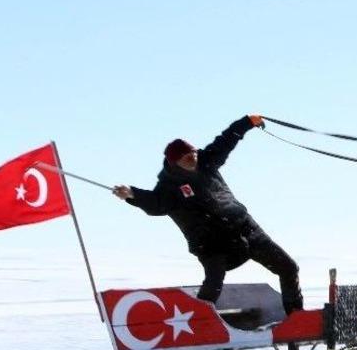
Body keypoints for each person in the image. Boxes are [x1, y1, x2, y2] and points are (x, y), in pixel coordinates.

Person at [114, 114, 304, 314]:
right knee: (213, 284)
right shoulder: (168, 187)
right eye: (188, 158)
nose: (194, 159)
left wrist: (247, 122)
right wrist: (132, 194)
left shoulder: (206, 161)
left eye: (194, 153)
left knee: (289, 268)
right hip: (211, 243)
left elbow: (225, 141)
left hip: (244, 228)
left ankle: (295, 317)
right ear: (175, 162)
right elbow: (155, 204)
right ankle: (199, 322)